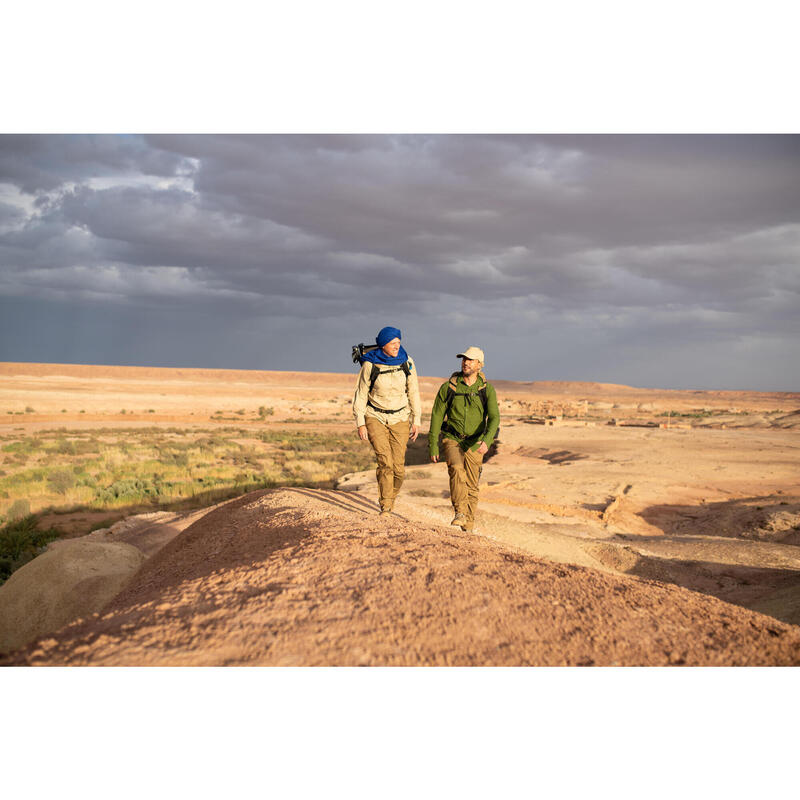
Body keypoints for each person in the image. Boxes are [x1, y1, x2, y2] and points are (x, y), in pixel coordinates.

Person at [428, 346, 500, 533]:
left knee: (472, 485)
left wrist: (487, 440)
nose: (466, 362)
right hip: (452, 438)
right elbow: (437, 416)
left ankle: (469, 523)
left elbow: (494, 418)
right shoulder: (449, 387)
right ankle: (460, 512)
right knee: (457, 470)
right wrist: (433, 444)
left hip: (475, 442)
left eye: (470, 360)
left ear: (480, 365)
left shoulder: (487, 390)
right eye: (464, 359)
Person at [352, 326, 421, 516]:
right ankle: (386, 505)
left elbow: (413, 391)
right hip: (375, 416)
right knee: (385, 462)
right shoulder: (370, 365)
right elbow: (361, 393)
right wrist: (360, 422)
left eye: (399, 342)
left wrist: (417, 420)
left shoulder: (407, 362)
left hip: (400, 417)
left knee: (398, 469)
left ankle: (390, 495)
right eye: (393, 343)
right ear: (383, 345)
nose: (397, 346)